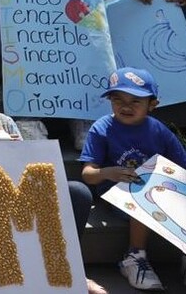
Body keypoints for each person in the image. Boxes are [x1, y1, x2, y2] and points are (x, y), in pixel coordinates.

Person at [0, 58, 105, 294]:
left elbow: (28, 168)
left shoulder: (5, 121)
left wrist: (15, 148)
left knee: (78, 191)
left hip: (14, 192)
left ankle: (68, 263)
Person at [82, 68, 186, 291]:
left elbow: (181, 165)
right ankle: (134, 256)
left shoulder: (159, 130)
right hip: (118, 194)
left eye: (135, 101)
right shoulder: (102, 128)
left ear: (152, 104)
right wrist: (107, 173)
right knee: (142, 191)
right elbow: (87, 174)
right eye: (117, 100)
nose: (125, 106)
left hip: (158, 191)